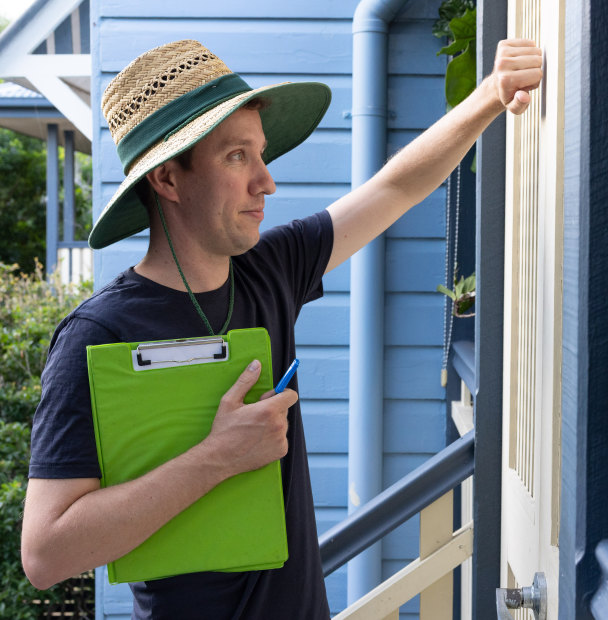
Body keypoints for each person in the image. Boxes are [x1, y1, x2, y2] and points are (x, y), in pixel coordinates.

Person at [21, 38, 542, 619]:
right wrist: (217, 457)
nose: (266, 182)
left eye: (261, 154)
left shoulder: (270, 272)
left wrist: (490, 96)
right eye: (236, 156)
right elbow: (45, 554)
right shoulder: (98, 334)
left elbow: (395, 187)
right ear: (168, 179)